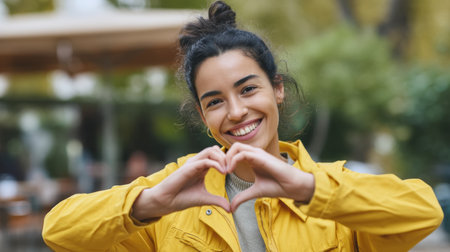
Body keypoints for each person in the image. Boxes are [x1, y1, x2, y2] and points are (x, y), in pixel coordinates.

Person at [42, 1, 443, 251]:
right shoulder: (174, 193)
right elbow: (58, 233)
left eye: (247, 89)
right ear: (202, 116)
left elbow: (423, 212)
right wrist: (148, 203)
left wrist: (307, 189)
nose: (235, 112)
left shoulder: (328, 187)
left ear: (277, 89)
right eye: (214, 101)